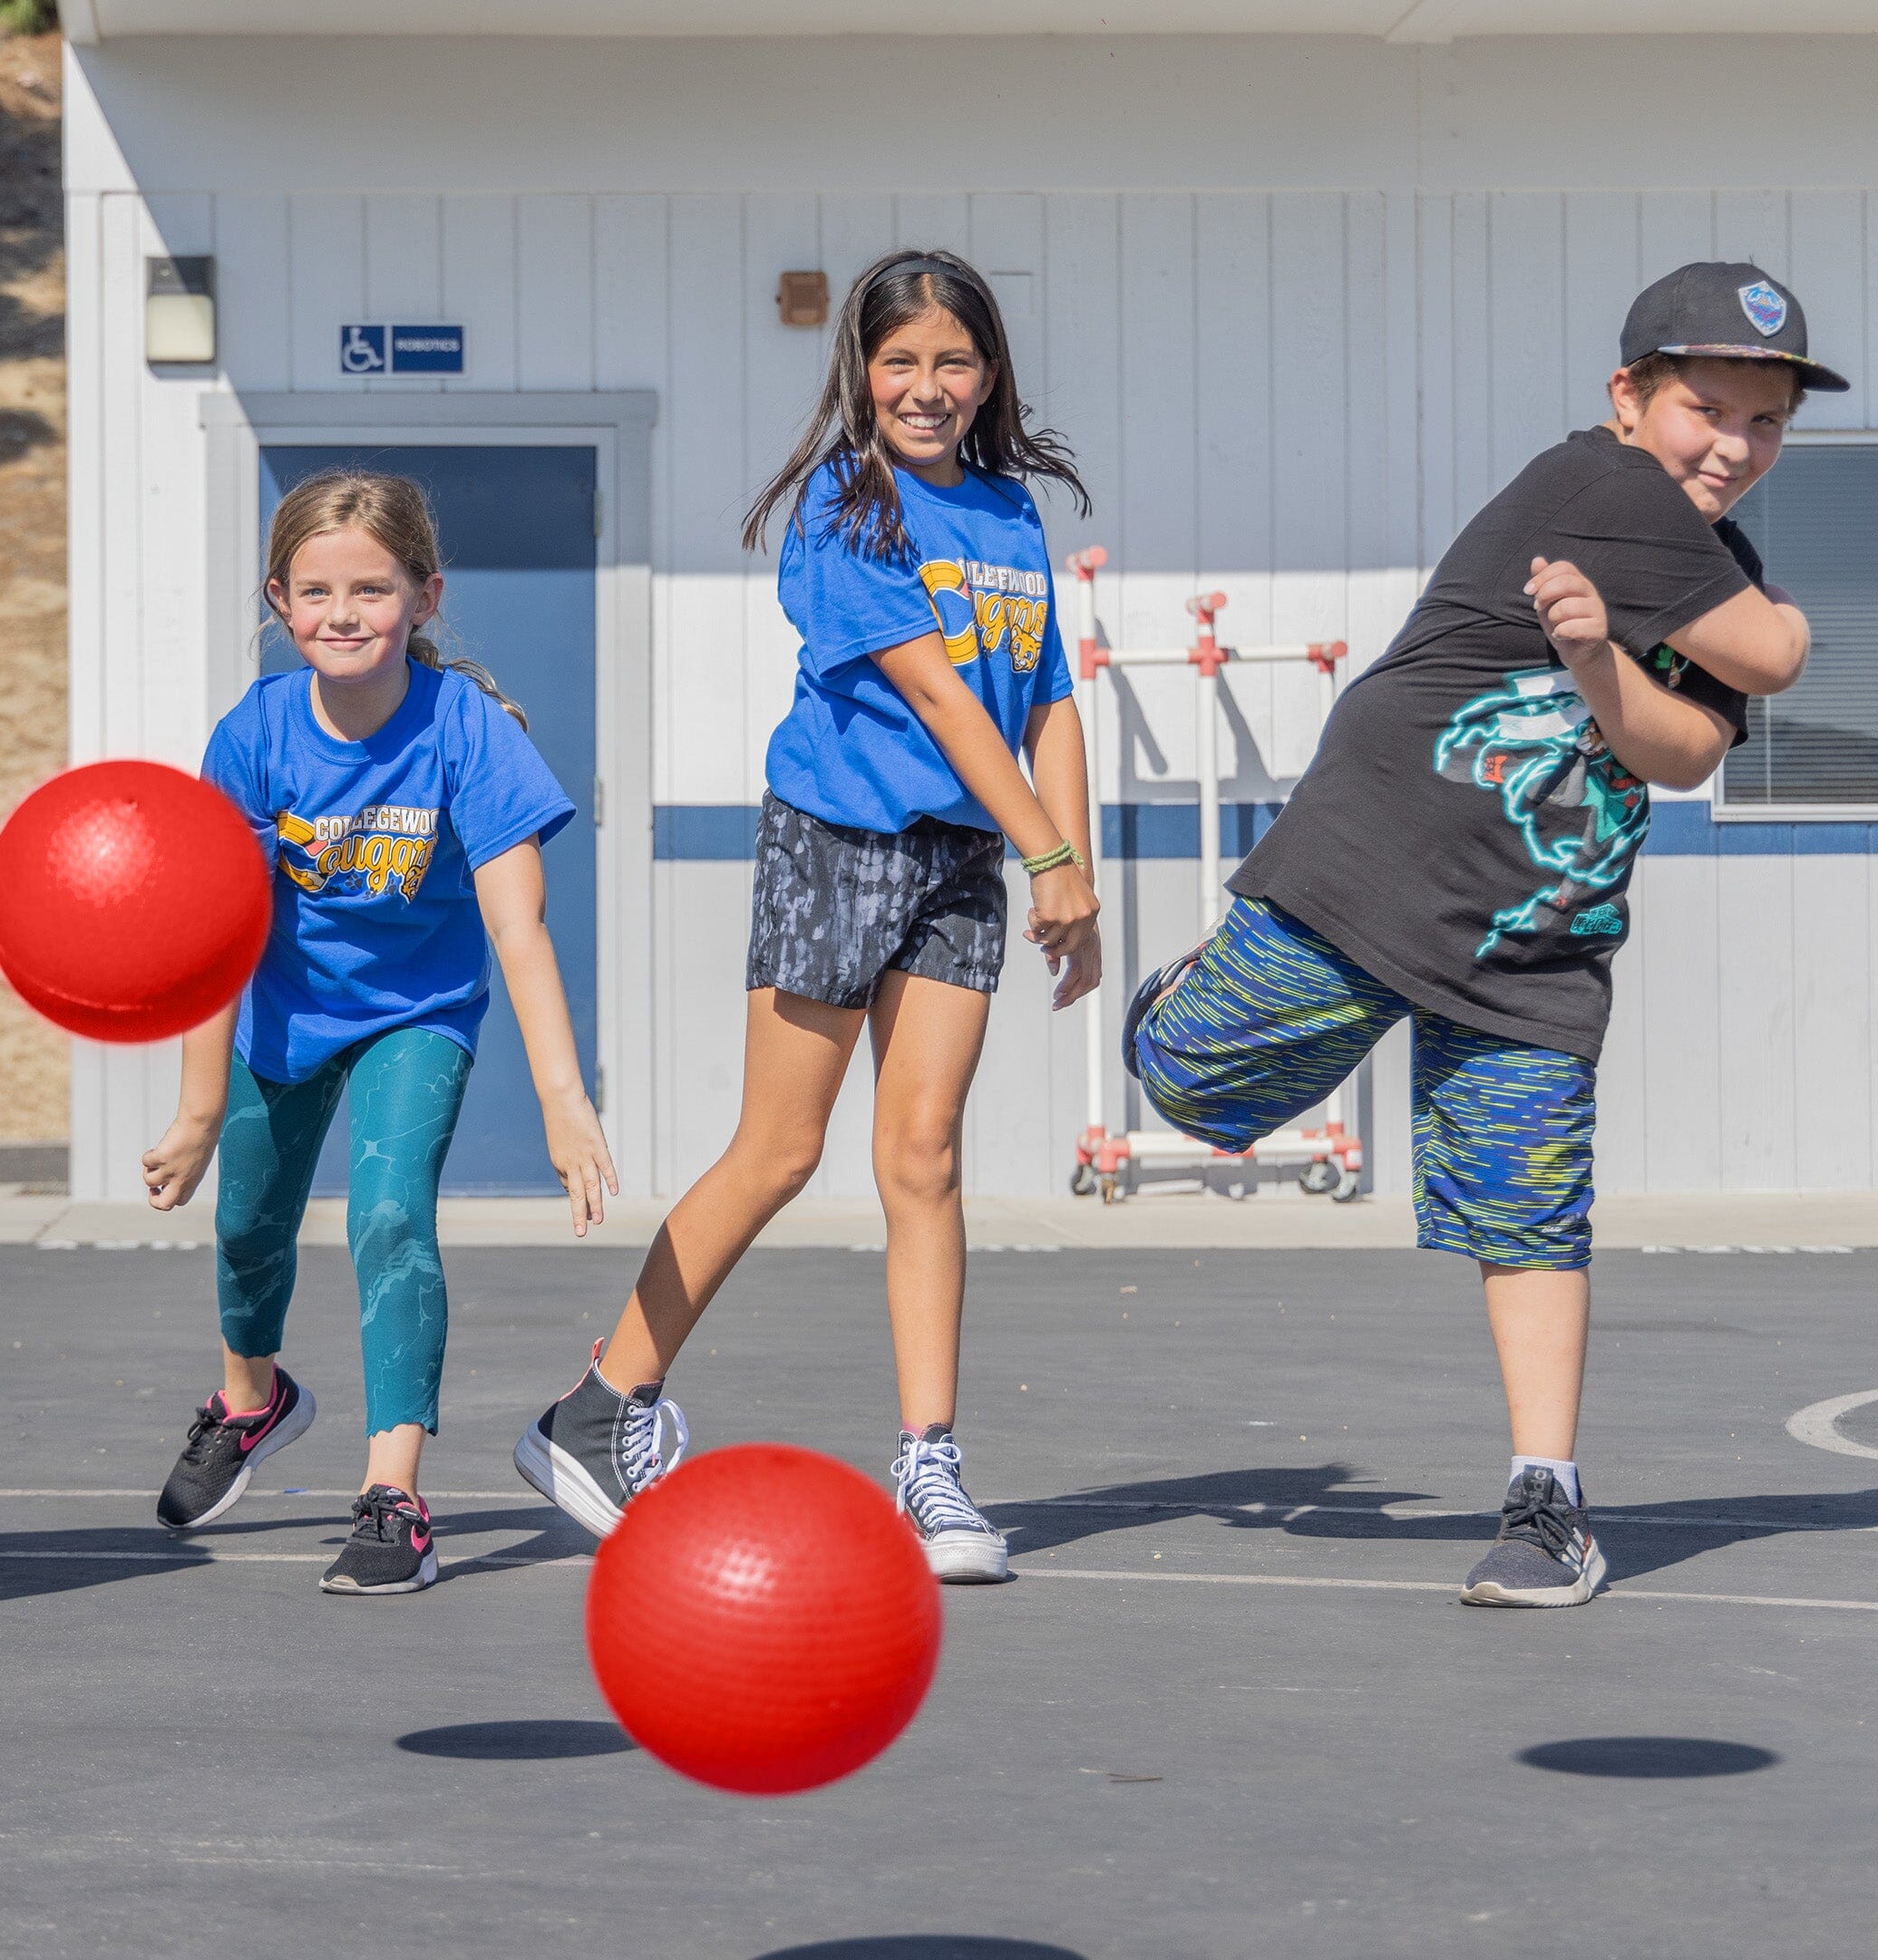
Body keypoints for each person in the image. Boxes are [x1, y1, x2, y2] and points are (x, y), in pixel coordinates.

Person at [1128, 263, 1834, 1606]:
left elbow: (1682, 750)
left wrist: (1596, 660)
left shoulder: (1702, 559)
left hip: (1536, 937)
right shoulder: (1600, 487)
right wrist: (1795, 625)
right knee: (1193, 1086)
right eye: (1707, 408)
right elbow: (1780, 658)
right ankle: (1187, 996)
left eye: (1767, 423)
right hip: (1378, 872)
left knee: (1533, 1208)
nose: (1736, 446)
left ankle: (1544, 1501)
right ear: (1626, 399)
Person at [513, 249, 1101, 1577]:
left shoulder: (1009, 514)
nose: (927, 386)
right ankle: (598, 1408)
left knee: (926, 1158)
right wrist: (1050, 849)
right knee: (779, 1153)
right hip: (835, 845)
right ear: (862, 373)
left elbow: (1045, 694)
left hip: (966, 855)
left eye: (954, 361)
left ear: (990, 374)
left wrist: (1079, 878)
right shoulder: (848, 509)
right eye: (900, 362)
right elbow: (946, 702)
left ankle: (931, 1466)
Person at [141, 470, 605, 1594]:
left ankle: (393, 1494)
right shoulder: (251, 736)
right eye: (315, 591)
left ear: (426, 596)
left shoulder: (470, 734)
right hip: (283, 1008)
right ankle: (250, 1401)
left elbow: (520, 927)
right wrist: (201, 1108)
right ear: (278, 600)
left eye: (371, 589)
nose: (342, 614)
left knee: (391, 1217)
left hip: (417, 1014)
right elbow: (215, 930)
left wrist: (562, 1096)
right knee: (249, 1224)